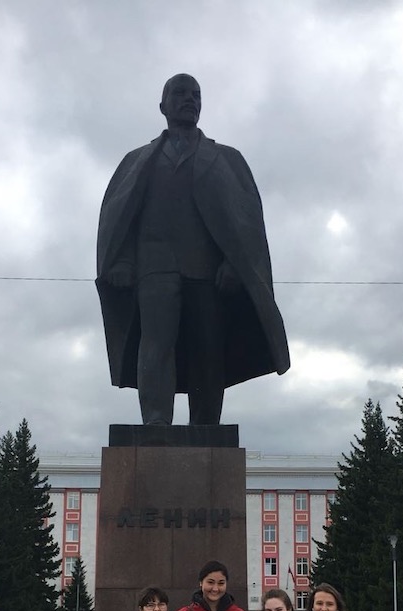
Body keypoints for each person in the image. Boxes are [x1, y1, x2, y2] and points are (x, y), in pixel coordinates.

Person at [95, 73, 290, 426]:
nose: (189, 100)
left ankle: (205, 428)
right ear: (162, 105)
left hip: (208, 271)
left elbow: (247, 221)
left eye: (196, 95)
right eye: (180, 94)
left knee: (208, 350)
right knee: (155, 345)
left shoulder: (227, 159)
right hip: (154, 267)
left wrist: (234, 262)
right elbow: (120, 215)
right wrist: (121, 260)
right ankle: (155, 425)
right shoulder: (138, 160)